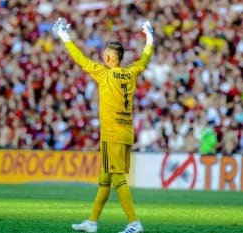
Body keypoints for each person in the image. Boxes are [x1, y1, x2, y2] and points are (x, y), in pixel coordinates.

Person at [52, 17, 153, 233]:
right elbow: (144, 59)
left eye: (104, 53)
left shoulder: (104, 74)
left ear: (109, 57)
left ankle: (135, 223)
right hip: (126, 131)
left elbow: (80, 59)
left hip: (112, 133)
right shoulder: (131, 73)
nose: (101, 56)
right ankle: (92, 222)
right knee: (104, 178)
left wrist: (64, 36)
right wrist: (150, 39)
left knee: (117, 177)